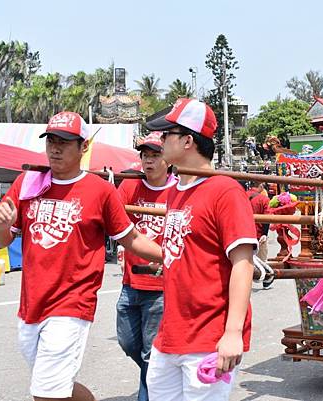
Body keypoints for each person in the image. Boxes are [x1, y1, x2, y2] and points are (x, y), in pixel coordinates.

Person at [0, 111, 162, 401]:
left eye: (65, 142)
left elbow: (130, 238)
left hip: (72, 304)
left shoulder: (100, 190)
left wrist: (174, 256)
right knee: (56, 387)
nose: (55, 148)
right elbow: (1, 239)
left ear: (83, 147)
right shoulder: (28, 182)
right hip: (31, 306)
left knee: (45, 393)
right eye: (51, 141)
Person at [144, 98, 258, 401]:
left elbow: (243, 263)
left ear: (187, 141)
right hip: (169, 336)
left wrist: (233, 333)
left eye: (167, 134)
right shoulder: (174, 193)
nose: (160, 140)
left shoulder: (225, 190)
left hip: (208, 336)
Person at [116, 132, 176, 401]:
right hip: (130, 282)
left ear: (169, 160)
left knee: (151, 353)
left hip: (162, 286)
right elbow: (114, 220)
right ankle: (166, 378)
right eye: (145, 155)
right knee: (128, 343)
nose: (148, 161)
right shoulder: (129, 187)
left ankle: (151, 391)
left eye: (155, 155)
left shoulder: (177, 191)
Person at [246, 181, 272, 289]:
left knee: (244, 259)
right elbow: (267, 217)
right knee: (262, 259)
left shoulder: (241, 195)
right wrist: (265, 234)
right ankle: (266, 280)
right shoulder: (264, 199)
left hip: (243, 233)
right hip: (258, 233)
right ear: (260, 185)